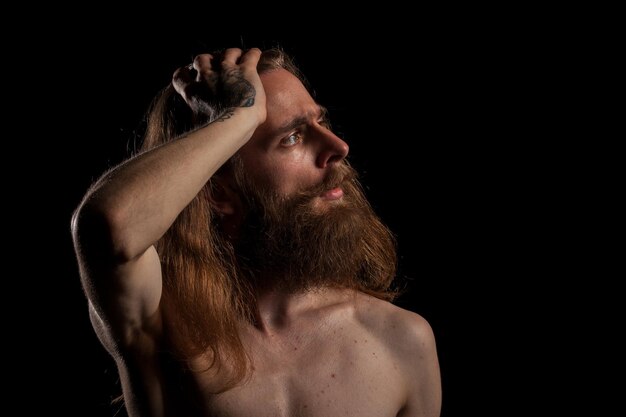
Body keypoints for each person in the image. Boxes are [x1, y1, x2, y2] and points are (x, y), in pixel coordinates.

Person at [71, 47, 441, 417]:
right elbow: (108, 225)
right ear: (219, 192)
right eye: (292, 137)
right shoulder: (162, 325)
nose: (337, 148)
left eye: (320, 122)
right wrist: (239, 117)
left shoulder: (401, 341)